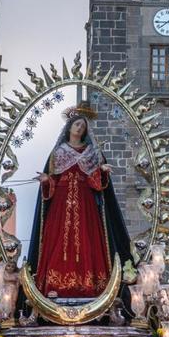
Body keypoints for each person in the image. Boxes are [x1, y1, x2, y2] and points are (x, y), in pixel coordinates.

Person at [23, 102, 133, 299]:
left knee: (87, 241)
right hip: (61, 205)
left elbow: (96, 184)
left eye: (83, 126)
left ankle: (90, 287)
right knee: (58, 242)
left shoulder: (91, 152)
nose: (80, 128)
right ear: (69, 128)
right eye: (77, 125)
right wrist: (47, 181)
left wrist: (101, 171)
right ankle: (55, 287)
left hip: (85, 204)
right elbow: (53, 183)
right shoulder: (58, 153)